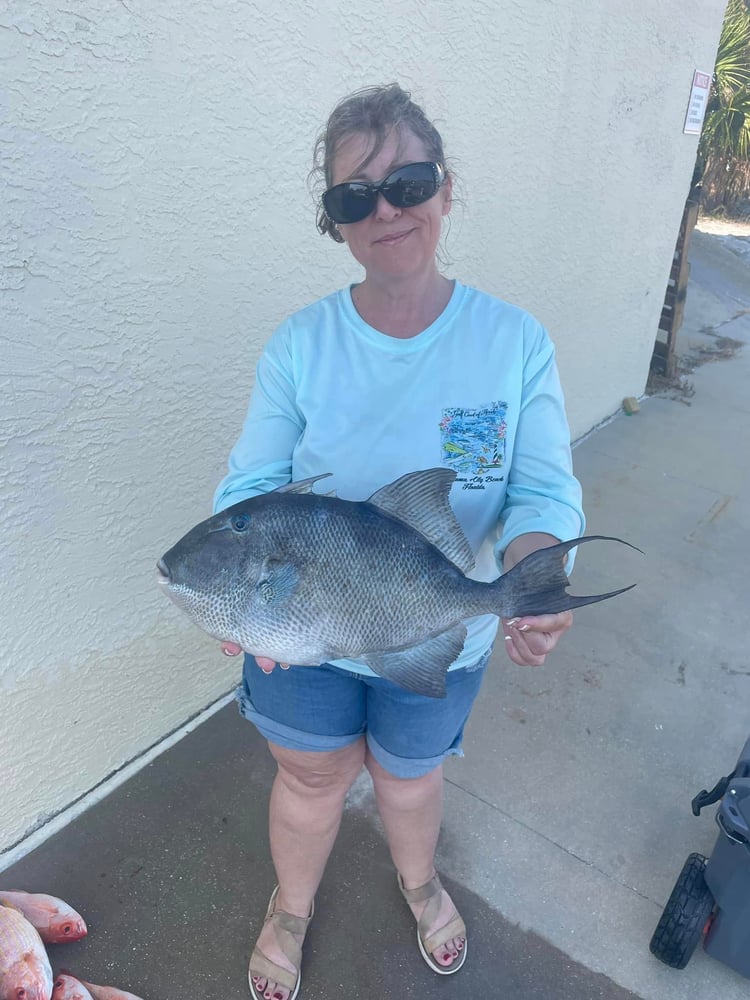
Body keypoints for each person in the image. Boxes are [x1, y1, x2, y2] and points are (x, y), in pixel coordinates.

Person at [214, 83, 585, 1000]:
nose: (386, 208)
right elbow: (251, 493)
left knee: (411, 780)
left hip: (438, 627)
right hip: (304, 625)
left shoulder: (514, 342)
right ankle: (292, 909)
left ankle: (419, 882)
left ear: (446, 191)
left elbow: (540, 490)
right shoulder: (300, 346)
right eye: (355, 195)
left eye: (408, 181)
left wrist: (533, 585)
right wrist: (236, 596)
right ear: (335, 220)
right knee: (310, 778)